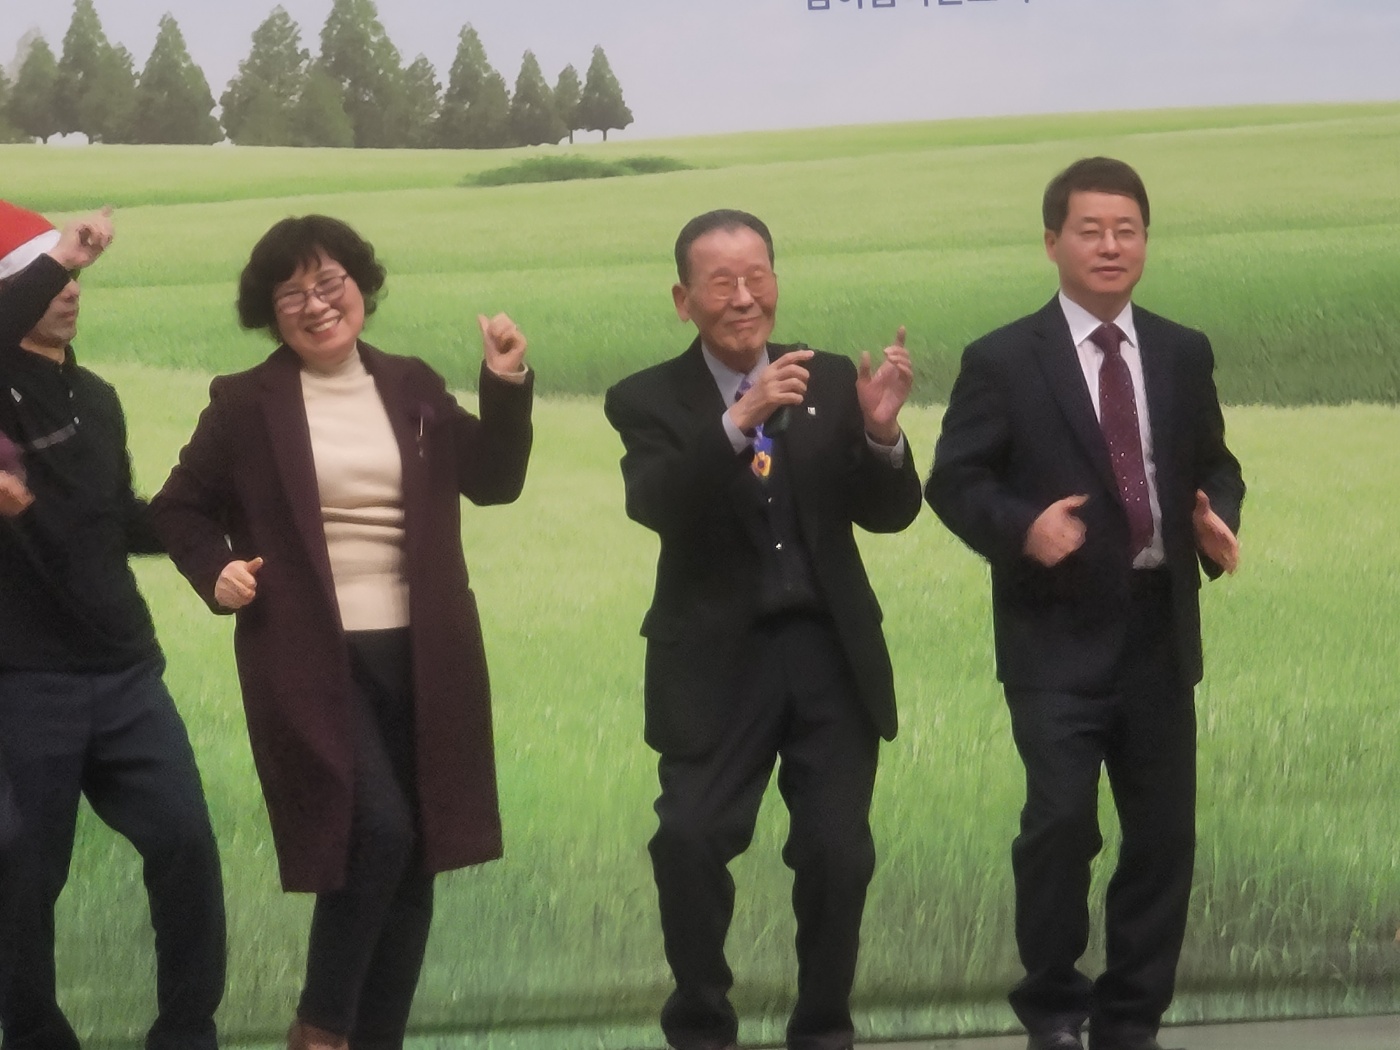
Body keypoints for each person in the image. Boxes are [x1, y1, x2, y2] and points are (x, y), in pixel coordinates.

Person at [151, 215, 534, 1050]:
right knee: (378, 829)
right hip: (308, 658)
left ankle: (373, 1037)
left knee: (418, 849)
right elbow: (177, 509)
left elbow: (494, 479)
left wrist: (506, 381)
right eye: (292, 294)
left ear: (361, 286)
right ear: (270, 313)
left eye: (330, 283)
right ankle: (322, 1026)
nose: (317, 304)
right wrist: (216, 571)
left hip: (425, 653)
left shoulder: (411, 384)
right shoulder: (244, 404)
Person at [925, 158, 1245, 1050]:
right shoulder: (1002, 359)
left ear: (1145, 241)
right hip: (1054, 635)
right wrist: (1022, 528)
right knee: (1061, 826)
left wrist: (1216, 514)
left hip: (1157, 632)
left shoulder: (1181, 350)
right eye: (1091, 230)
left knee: (1162, 839)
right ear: (1052, 242)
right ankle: (1055, 1008)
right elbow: (954, 481)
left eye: (1126, 230)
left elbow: (1215, 463)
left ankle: (1131, 1019)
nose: (1111, 246)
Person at [604, 209, 920, 1050]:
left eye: (758, 278)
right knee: (689, 841)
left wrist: (881, 433)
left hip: (828, 654)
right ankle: (702, 1025)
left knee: (837, 854)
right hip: (715, 658)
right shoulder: (645, 398)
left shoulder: (827, 378)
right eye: (722, 283)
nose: (744, 298)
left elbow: (890, 513)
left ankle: (823, 1030)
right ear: (684, 300)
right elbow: (656, 504)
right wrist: (736, 421)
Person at [0, 200, 227, 1050]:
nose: (67, 291)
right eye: (44, 277)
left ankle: (186, 1032)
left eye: (71, 278)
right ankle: (35, 1037)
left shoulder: (96, 397)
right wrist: (65, 256)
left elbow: (119, 519)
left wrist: (211, 526)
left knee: (186, 845)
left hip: (127, 671)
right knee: (23, 878)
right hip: (23, 680)